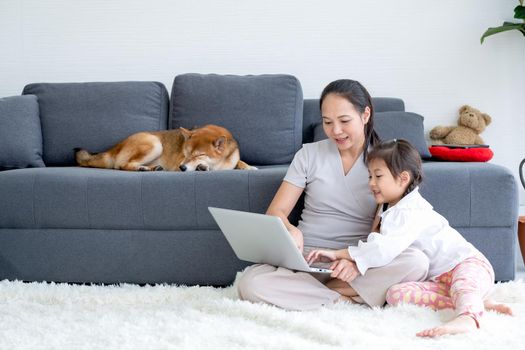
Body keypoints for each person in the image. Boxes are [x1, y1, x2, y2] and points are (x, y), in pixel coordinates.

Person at [236, 79, 429, 310]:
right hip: (306, 261)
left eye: (344, 121)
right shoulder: (308, 154)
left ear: (365, 114)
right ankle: (341, 299)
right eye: (327, 122)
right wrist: (291, 230)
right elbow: (276, 211)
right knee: (250, 282)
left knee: (417, 262)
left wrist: (356, 263)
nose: (335, 130)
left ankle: (318, 296)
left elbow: (380, 229)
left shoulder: (385, 162)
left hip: (354, 265)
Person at [307, 139, 513, 337]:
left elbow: (381, 249)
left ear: (403, 178)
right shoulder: (389, 208)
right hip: (437, 279)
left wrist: (339, 253)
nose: (371, 183)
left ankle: (467, 318)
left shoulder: (409, 210)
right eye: (370, 176)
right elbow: (377, 244)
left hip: (465, 264)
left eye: (378, 176)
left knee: (463, 285)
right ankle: (475, 302)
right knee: (395, 295)